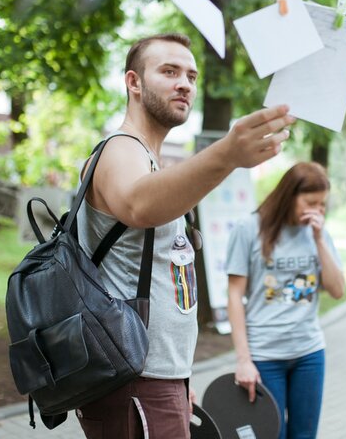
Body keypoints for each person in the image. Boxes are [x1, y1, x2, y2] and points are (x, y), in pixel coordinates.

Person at [74, 33, 295, 439]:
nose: (185, 84)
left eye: (191, 76)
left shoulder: (150, 160)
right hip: (134, 380)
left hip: (159, 376)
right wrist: (227, 154)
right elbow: (138, 205)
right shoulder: (120, 149)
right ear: (133, 82)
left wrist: (180, 377)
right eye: (169, 71)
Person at [226, 162, 345, 439]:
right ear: (289, 196)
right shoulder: (248, 229)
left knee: (304, 435)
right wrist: (243, 359)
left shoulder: (319, 234)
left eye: (322, 204)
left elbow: (337, 290)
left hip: (309, 353)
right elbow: (234, 295)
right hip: (265, 356)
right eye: (311, 202)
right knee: (271, 435)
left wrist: (318, 239)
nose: (317, 210)